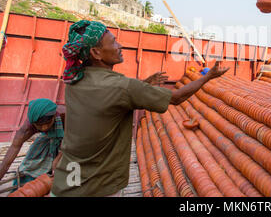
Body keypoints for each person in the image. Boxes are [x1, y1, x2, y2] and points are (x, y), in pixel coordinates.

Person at [50, 20, 229, 197]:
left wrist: (143, 85)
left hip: (65, 183)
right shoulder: (122, 87)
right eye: (113, 42)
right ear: (96, 53)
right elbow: (177, 97)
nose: (119, 46)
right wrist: (208, 77)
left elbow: (109, 101)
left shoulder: (74, 81)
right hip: (96, 188)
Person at [0, 98, 65, 189]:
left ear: (54, 117)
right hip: (48, 138)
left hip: (70, 137)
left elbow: (73, 138)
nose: (44, 127)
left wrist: (59, 157)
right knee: (30, 165)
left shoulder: (65, 115)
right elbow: (9, 158)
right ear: (33, 123)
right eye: (39, 126)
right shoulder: (26, 129)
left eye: (47, 123)